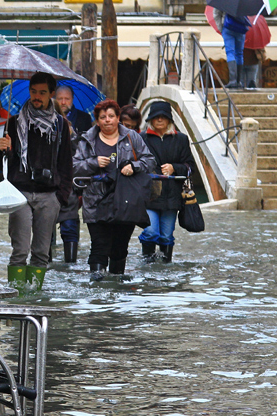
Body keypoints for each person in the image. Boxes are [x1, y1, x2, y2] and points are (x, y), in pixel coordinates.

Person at [0, 72, 73, 291]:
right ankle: (16, 296)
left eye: (42, 92)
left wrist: (61, 196)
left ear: (51, 94)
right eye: (33, 92)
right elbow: (2, 166)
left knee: (41, 252)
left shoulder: (60, 125)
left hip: (49, 195)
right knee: (19, 250)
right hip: (19, 192)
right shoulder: (13, 123)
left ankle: (33, 298)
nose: (36, 97)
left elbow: (66, 163)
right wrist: (5, 150)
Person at [73, 99, 155, 281]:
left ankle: (117, 286)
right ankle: (97, 288)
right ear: (97, 120)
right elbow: (74, 167)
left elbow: (149, 160)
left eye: (111, 116)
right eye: (103, 117)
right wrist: (93, 163)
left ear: (118, 117)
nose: (107, 120)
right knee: (99, 246)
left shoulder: (132, 137)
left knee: (120, 246)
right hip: (96, 200)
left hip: (125, 200)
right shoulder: (87, 140)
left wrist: (134, 166)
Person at [138, 101, 193, 263]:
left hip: (172, 196)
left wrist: (174, 168)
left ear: (169, 119)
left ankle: (164, 267)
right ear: (151, 120)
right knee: (150, 232)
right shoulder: (141, 138)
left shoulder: (181, 139)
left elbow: (190, 166)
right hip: (149, 195)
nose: (160, 120)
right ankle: (147, 263)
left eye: (163, 117)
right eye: (156, 117)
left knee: (166, 236)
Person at [53, 85, 92, 263]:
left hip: (71, 179)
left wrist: (72, 134)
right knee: (44, 225)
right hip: (47, 180)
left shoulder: (84, 119)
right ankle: (47, 260)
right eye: (59, 99)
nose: (63, 102)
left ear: (72, 99)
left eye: (66, 99)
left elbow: (86, 150)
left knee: (69, 224)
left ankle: (70, 262)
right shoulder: (46, 119)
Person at [216, 9, 252, 89]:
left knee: (230, 53)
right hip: (241, 28)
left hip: (228, 27)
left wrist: (221, 29)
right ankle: (239, 81)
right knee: (239, 54)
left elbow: (216, 14)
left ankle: (232, 81)